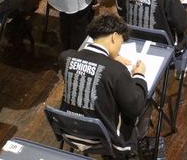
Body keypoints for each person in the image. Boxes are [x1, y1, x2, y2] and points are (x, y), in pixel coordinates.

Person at [59, 15, 147, 151]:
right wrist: (139, 75)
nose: (119, 48)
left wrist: (109, 58)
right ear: (114, 37)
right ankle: (139, 145)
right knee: (144, 104)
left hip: (69, 130)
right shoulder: (117, 71)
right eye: (121, 43)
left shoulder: (65, 57)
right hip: (105, 138)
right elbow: (135, 108)